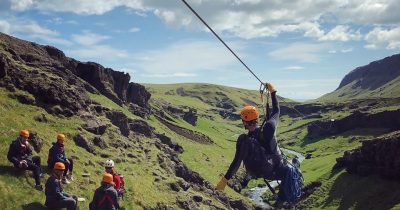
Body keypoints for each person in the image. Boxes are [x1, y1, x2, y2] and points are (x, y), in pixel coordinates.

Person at [216, 83, 301, 207]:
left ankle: (278, 202)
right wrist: (273, 92)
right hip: (276, 170)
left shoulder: (243, 140)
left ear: (244, 122)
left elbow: (236, 162)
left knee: (289, 169)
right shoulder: (269, 127)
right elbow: (276, 110)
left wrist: (223, 181)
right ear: (257, 118)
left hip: (258, 172)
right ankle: (280, 203)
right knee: (292, 171)